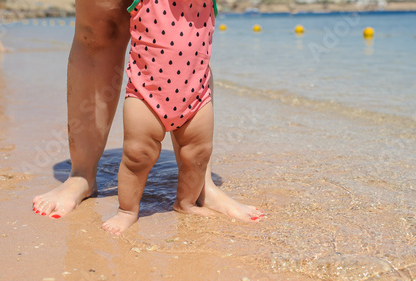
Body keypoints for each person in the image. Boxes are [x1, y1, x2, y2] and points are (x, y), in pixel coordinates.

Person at [32, 0, 264, 231]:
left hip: (196, 95)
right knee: (136, 155)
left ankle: (197, 190)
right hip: (146, 93)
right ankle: (91, 182)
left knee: (198, 150)